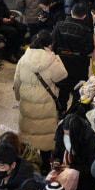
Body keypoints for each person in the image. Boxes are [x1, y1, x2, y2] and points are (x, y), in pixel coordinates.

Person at [13, 31, 68, 167]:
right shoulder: (51, 60)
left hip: (27, 100)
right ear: (50, 44)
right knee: (45, 137)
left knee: (28, 133)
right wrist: (56, 57)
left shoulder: (23, 59)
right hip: (45, 101)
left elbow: (17, 81)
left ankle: (28, 164)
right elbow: (62, 75)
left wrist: (18, 98)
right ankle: (44, 166)